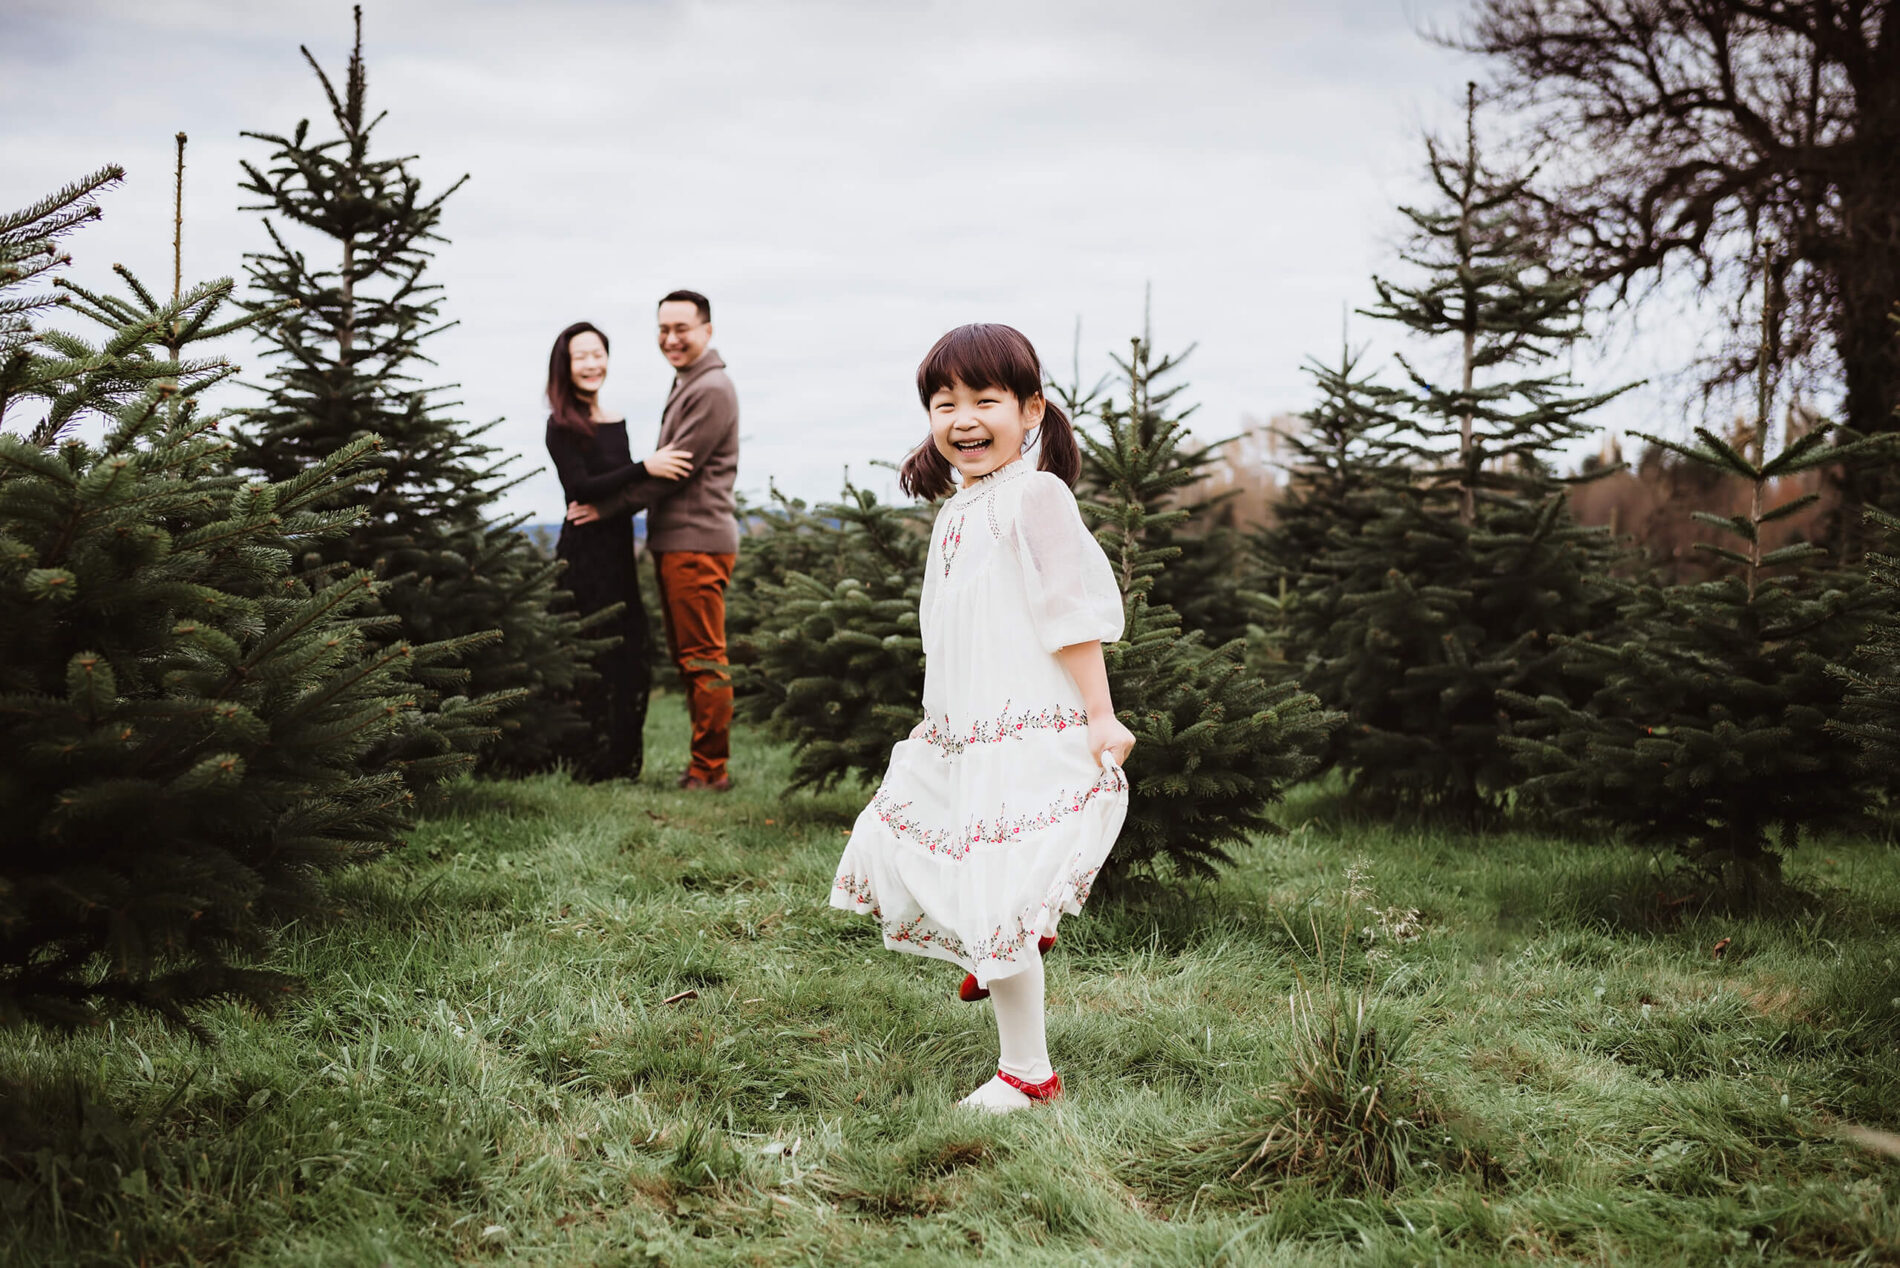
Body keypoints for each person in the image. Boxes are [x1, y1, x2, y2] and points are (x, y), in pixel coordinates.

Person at [829, 323, 1135, 1113]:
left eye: (984, 400)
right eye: (944, 402)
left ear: (1030, 410)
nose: (962, 418)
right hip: (962, 730)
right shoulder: (959, 507)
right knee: (906, 844)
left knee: (997, 889)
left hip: (1024, 725)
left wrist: (1099, 718)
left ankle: (1027, 1072)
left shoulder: (1035, 495)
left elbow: (1069, 615)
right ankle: (1005, 938)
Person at [569, 291, 741, 791]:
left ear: (707, 330)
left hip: (696, 542)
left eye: (681, 328)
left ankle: (710, 772)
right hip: (677, 541)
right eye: (662, 329)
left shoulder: (711, 388)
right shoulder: (689, 381)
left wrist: (607, 507)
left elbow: (674, 472)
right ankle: (703, 765)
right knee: (691, 656)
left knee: (703, 656)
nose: (671, 338)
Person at [543, 321, 693, 781]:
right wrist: (645, 466)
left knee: (628, 653)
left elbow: (607, 495)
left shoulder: (614, 419)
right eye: (580, 357)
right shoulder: (561, 424)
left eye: (597, 353)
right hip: (583, 555)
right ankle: (581, 759)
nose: (591, 364)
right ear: (565, 367)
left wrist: (629, 485)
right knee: (588, 654)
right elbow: (581, 487)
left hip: (618, 552)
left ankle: (619, 761)